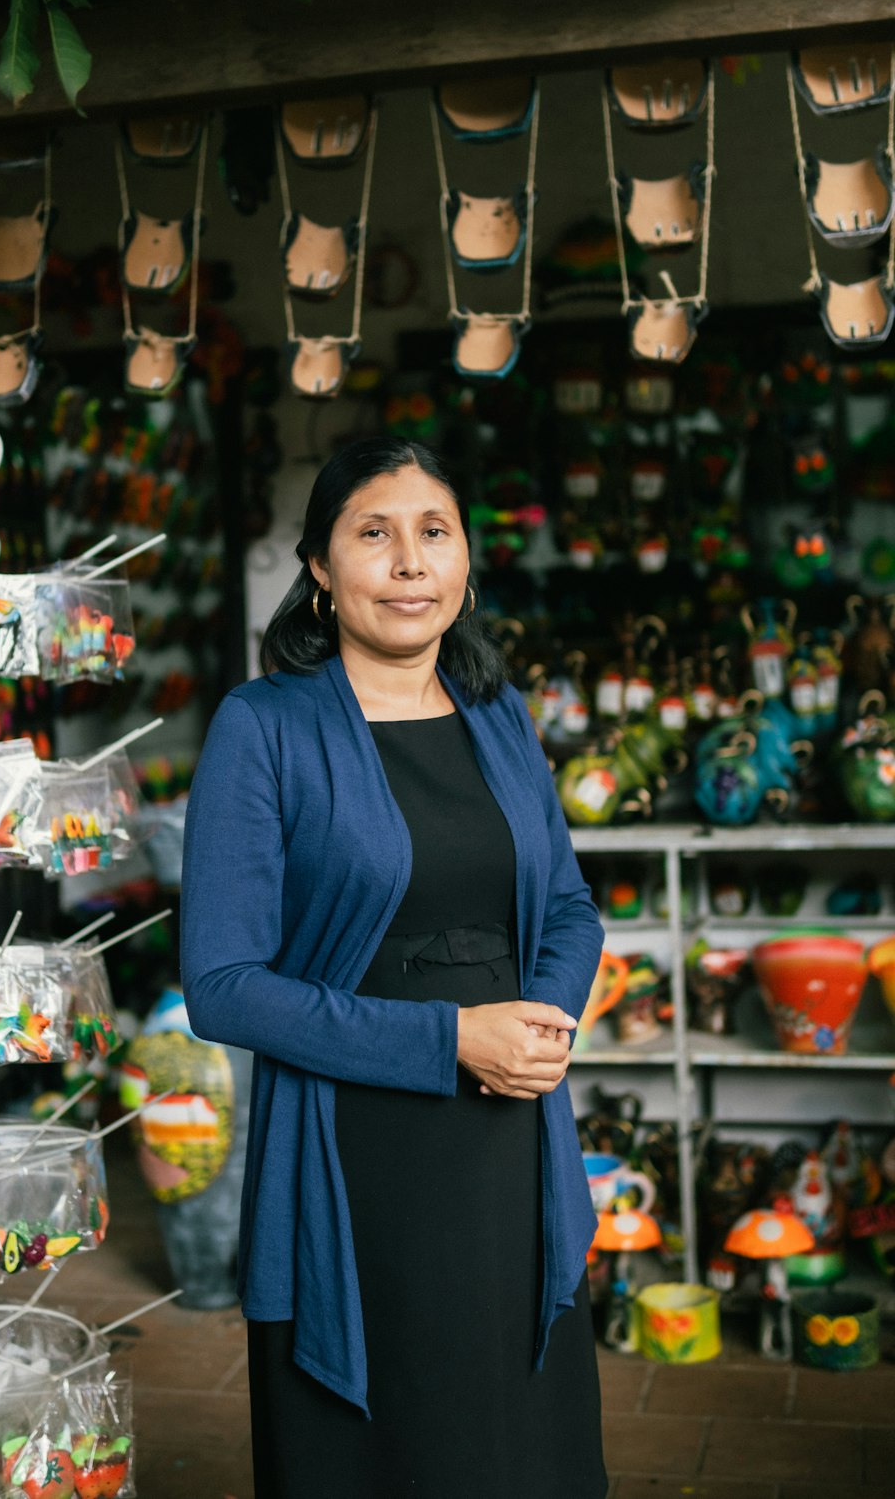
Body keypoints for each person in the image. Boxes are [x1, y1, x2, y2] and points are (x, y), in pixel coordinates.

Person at [181, 436, 607, 1499]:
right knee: (390, 1449)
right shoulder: (264, 727)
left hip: (509, 1137)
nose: (410, 563)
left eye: (434, 533)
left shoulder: (498, 716)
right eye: (374, 534)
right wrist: (452, 1039)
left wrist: (538, 1027)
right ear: (320, 569)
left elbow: (566, 906)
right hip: (358, 1152)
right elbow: (222, 983)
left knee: (516, 1434)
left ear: (464, 560)